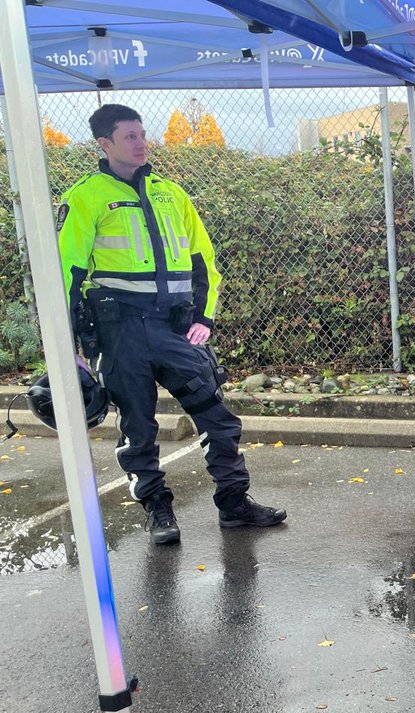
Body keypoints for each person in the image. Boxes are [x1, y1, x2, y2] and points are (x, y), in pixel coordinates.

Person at [58, 104, 286, 545]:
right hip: (119, 331)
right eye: (129, 136)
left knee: (218, 419)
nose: (141, 143)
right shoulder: (85, 196)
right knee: (138, 428)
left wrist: (203, 318)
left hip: (174, 329)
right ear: (104, 144)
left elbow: (204, 261)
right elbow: (68, 273)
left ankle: (235, 505)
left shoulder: (172, 194)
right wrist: (70, 347)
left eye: (143, 134)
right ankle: (158, 511)